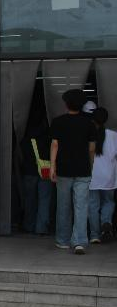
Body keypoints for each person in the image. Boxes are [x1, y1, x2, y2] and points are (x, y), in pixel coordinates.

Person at [50, 88, 96, 254]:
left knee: (63, 205)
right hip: (83, 169)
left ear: (66, 104)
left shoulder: (58, 122)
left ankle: (63, 240)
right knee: (81, 206)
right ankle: (79, 242)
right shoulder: (89, 123)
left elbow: (55, 145)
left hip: (63, 170)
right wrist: (90, 165)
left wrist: (52, 166)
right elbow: (91, 148)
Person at [88, 107, 116, 245]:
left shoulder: (87, 134)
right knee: (108, 202)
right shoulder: (113, 135)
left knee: (93, 205)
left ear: (92, 119)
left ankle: (94, 235)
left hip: (92, 176)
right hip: (108, 176)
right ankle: (106, 223)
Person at [20, 120, 53, 235]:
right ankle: (41, 228)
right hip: (45, 171)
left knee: (29, 200)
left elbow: (21, 156)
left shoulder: (25, 140)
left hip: (29, 172)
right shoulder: (48, 139)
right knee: (44, 199)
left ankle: (29, 225)